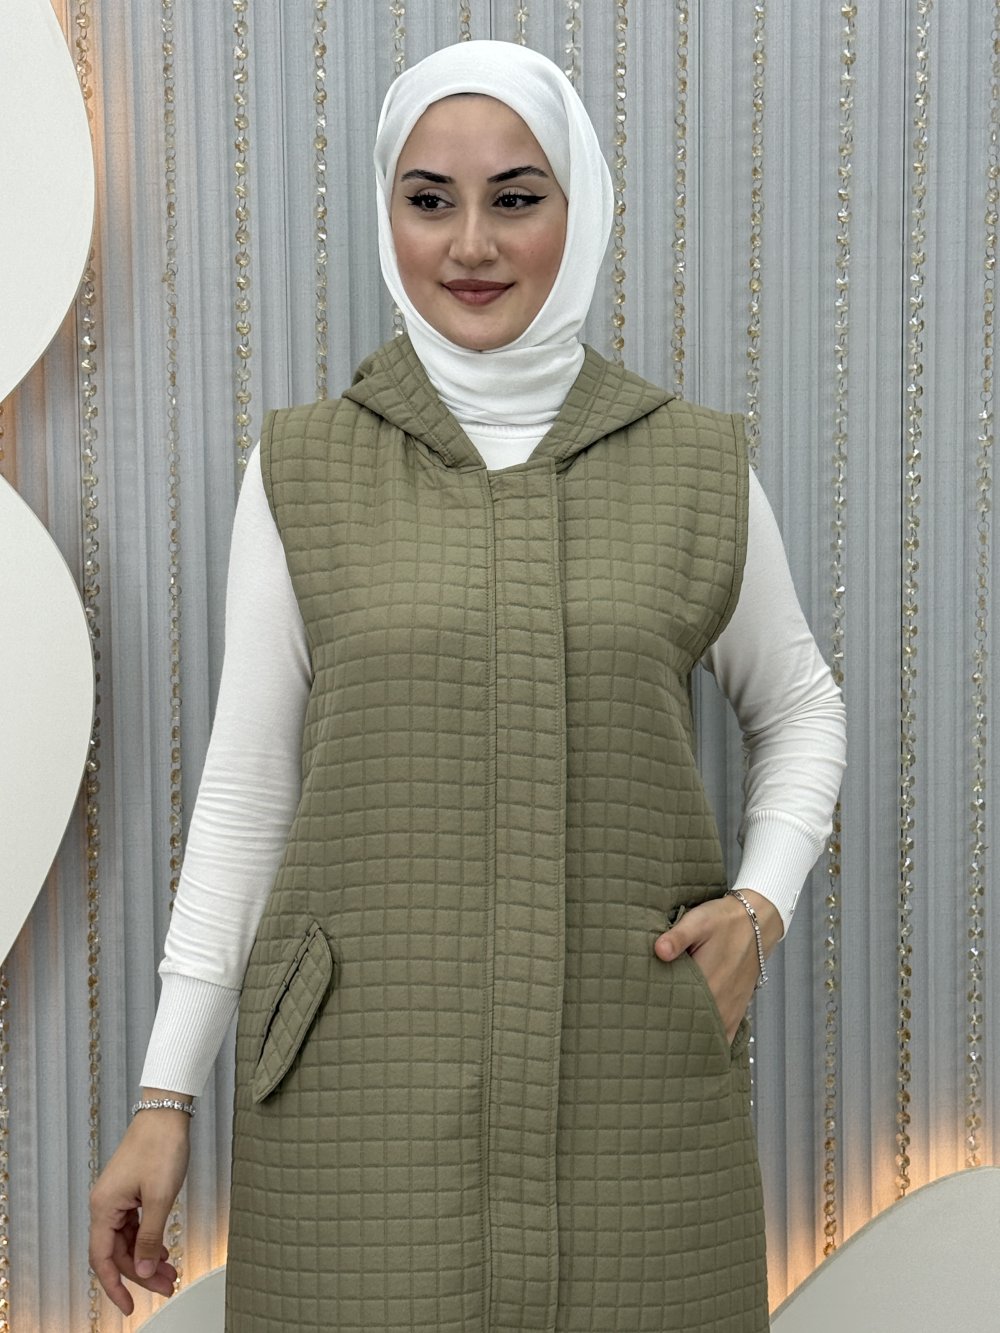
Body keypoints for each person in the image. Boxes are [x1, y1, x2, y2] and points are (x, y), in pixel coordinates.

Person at [90, 39, 846, 1333]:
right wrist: (167, 1098)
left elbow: (801, 707)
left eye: (517, 197)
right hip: (355, 1098)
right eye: (431, 199)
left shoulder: (694, 464)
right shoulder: (304, 467)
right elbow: (248, 783)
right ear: (388, 215)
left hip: (637, 1092)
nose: (472, 244)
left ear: (579, 209)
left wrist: (761, 904)